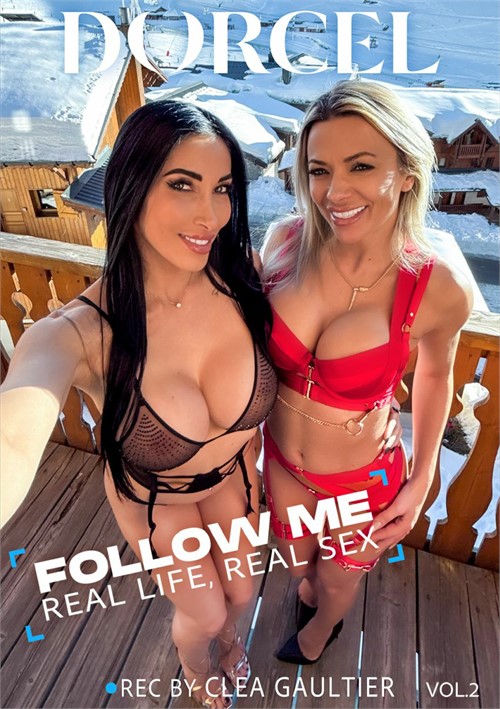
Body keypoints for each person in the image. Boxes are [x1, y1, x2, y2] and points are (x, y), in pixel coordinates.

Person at [1, 101, 279, 708]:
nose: (210, 214)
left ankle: (230, 640)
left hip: (235, 478)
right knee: (203, 612)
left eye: (223, 188)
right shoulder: (77, 335)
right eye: (182, 184)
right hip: (158, 499)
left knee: (239, 595)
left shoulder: (244, 279)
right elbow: (12, 437)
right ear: (129, 187)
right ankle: (198, 668)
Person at [261, 80, 472, 664]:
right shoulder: (283, 243)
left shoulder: (437, 287)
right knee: (298, 566)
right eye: (319, 170)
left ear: (406, 172)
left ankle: (322, 631)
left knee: (336, 582)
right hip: (282, 464)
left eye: (361, 166)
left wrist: (422, 479)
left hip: (363, 481)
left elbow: (435, 377)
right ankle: (311, 595)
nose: (335, 192)